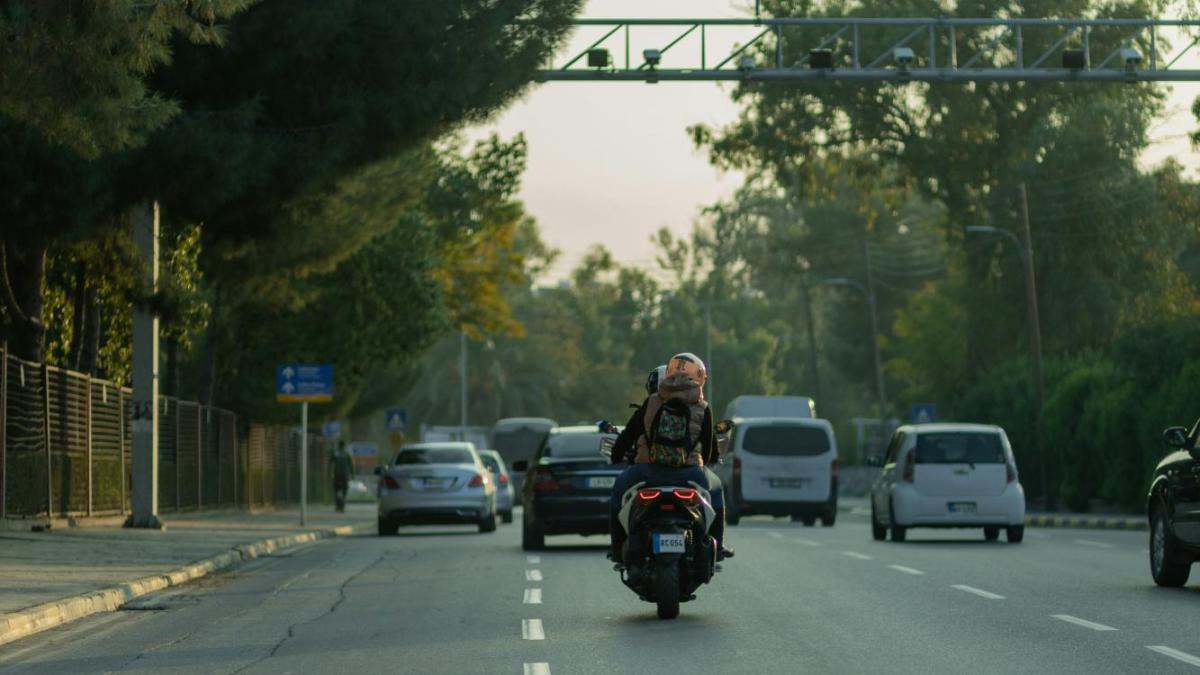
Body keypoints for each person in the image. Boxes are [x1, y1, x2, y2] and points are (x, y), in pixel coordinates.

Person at [608, 353, 734, 565]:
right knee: (717, 490)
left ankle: (618, 550)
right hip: (690, 474)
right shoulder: (703, 407)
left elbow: (627, 435)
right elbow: (710, 447)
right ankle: (718, 546)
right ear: (699, 377)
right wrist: (707, 462)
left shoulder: (651, 402)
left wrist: (616, 457)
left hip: (647, 472)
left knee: (617, 493)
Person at [330, 440, 354, 513]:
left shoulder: (336, 453)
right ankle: (342, 504)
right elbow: (351, 465)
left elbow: (331, 462)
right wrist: (352, 474)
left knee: (336, 490)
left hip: (337, 474)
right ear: (344, 446)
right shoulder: (347, 454)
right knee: (344, 490)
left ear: (339, 446)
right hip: (344, 475)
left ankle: (337, 505)